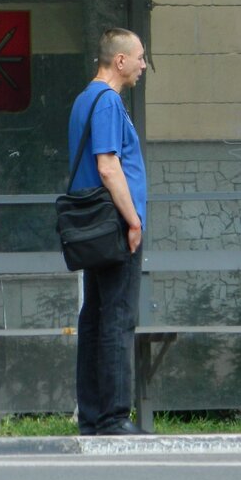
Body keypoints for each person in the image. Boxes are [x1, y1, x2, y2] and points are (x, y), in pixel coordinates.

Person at [68, 28, 149, 435]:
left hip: (95, 227)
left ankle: (93, 416)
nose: (143, 65)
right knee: (116, 318)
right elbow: (108, 166)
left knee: (95, 318)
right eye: (139, 57)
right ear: (119, 61)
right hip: (115, 227)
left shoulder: (86, 99)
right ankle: (114, 417)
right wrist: (133, 220)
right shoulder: (107, 103)